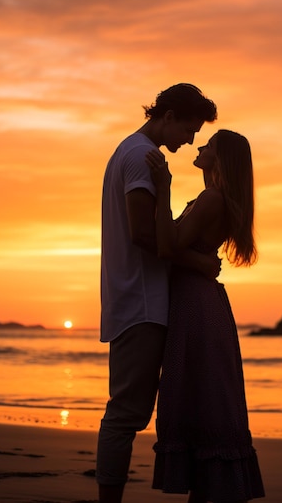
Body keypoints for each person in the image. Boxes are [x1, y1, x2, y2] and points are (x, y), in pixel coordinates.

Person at [96, 83, 218, 503]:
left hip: (138, 300)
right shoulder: (139, 157)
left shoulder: (131, 153)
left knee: (132, 411)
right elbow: (144, 233)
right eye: (189, 128)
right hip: (140, 303)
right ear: (168, 117)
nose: (191, 139)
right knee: (126, 414)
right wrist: (197, 262)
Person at [146, 129, 265, 503]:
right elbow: (179, 249)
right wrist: (201, 261)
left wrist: (163, 187)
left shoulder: (213, 199)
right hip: (199, 302)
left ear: (221, 159)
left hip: (196, 307)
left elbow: (167, 245)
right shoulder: (212, 197)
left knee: (200, 395)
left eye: (209, 145)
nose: (200, 146)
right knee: (203, 395)